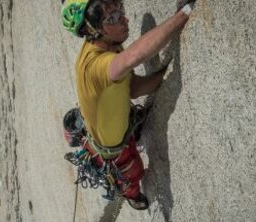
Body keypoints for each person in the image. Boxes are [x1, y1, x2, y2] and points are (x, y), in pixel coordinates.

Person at [61, 0, 196, 210]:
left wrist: (164, 76)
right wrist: (183, 14)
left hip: (111, 127)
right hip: (113, 152)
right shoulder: (98, 65)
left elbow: (131, 88)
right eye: (113, 18)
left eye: (121, 11)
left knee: (128, 127)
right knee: (133, 174)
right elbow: (133, 57)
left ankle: (132, 131)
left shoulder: (108, 43)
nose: (125, 19)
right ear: (91, 28)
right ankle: (131, 196)